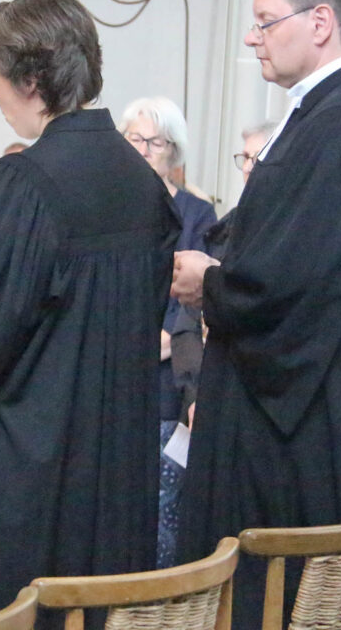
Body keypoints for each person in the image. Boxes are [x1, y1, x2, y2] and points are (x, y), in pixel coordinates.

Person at [0, 0, 179, 628]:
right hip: (110, 461)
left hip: (21, 466)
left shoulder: (22, 184)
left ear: (30, 78)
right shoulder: (141, 182)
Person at [171, 0, 341, 630]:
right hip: (327, 407)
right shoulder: (340, 116)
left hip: (314, 427)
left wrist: (209, 284)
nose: (253, 38)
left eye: (265, 22)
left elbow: (295, 286)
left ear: (321, 22)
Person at [119, 95, 217, 568]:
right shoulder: (108, 209)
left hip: (162, 372)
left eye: (153, 142)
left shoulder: (196, 215)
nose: (141, 150)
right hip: (111, 374)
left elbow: (192, 306)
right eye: (133, 139)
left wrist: (142, 347)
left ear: (172, 150)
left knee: (160, 505)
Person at [202, 121, 274, 260]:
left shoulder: (287, 224)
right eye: (246, 157)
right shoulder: (230, 221)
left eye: (257, 158)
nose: (247, 168)